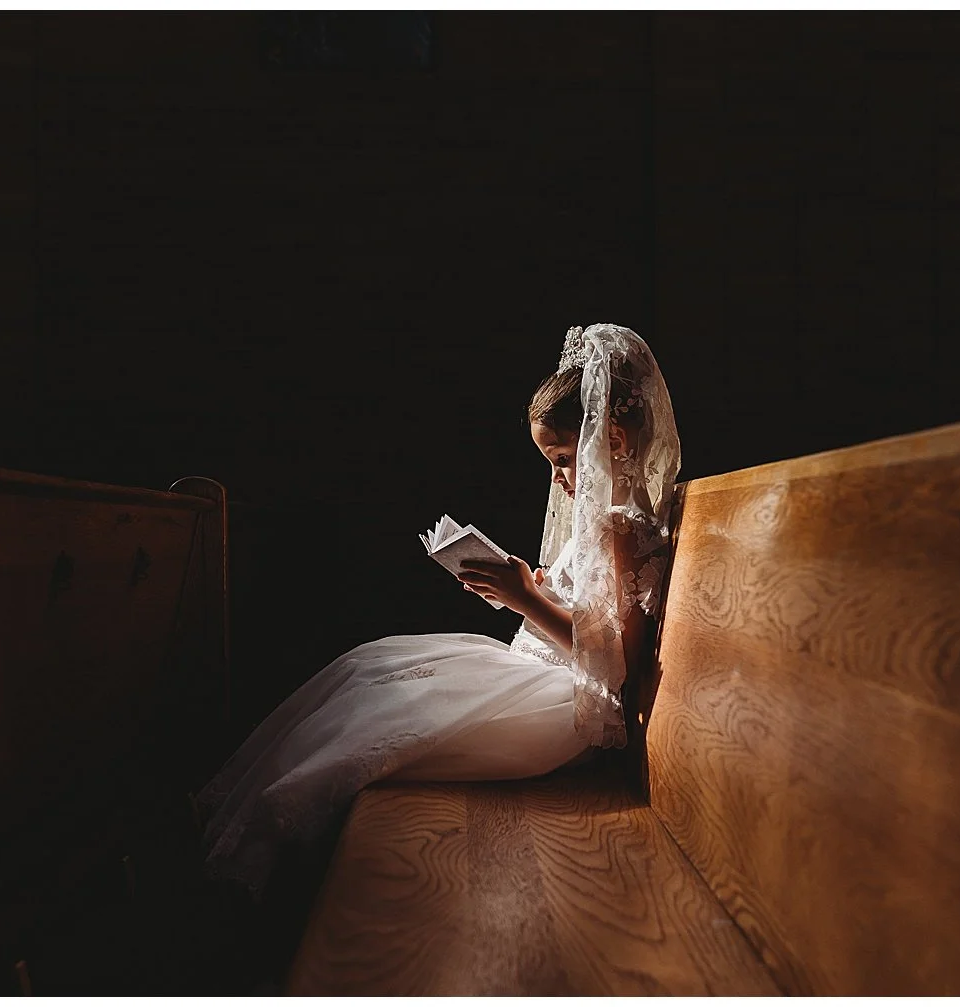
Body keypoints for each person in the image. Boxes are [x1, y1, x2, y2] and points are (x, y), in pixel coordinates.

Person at [196, 323, 681, 894]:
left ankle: (264, 865)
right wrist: (531, 589)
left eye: (562, 458)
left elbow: (613, 662)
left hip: (565, 707)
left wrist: (524, 598)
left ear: (614, 442)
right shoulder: (605, 523)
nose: (558, 478)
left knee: (385, 718)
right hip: (535, 670)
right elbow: (588, 610)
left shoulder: (624, 529)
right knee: (370, 668)